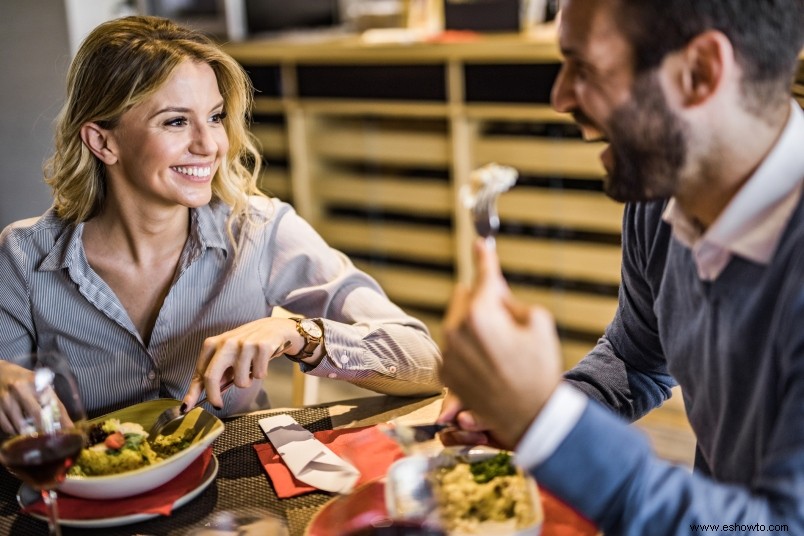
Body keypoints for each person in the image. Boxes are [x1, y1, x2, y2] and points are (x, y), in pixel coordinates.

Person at [438, 0, 804, 534]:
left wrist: (547, 425)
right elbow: (637, 359)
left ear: (700, 73)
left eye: (582, 67)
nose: (560, 97)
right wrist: (516, 408)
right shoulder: (665, 199)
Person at [0, 16, 442, 433]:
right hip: (88, 505)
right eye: (175, 121)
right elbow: (19, 435)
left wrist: (299, 333)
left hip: (239, 492)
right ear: (103, 141)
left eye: (215, 117)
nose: (211, 144)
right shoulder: (22, 259)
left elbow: (425, 361)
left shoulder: (260, 230)